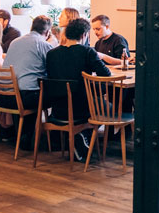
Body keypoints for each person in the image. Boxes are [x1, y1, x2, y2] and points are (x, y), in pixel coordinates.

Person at [46, 18, 111, 160]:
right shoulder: (87, 51)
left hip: (57, 109)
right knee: (109, 107)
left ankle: (79, 136)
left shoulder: (51, 54)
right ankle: (83, 133)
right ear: (84, 35)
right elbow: (106, 74)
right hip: (81, 107)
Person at [2, 15, 54, 146]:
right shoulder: (43, 44)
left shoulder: (15, 42)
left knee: (30, 88)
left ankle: (21, 135)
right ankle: (54, 138)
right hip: (24, 98)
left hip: (3, 96)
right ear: (47, 32)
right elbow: (53, 69)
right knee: (57, 97)